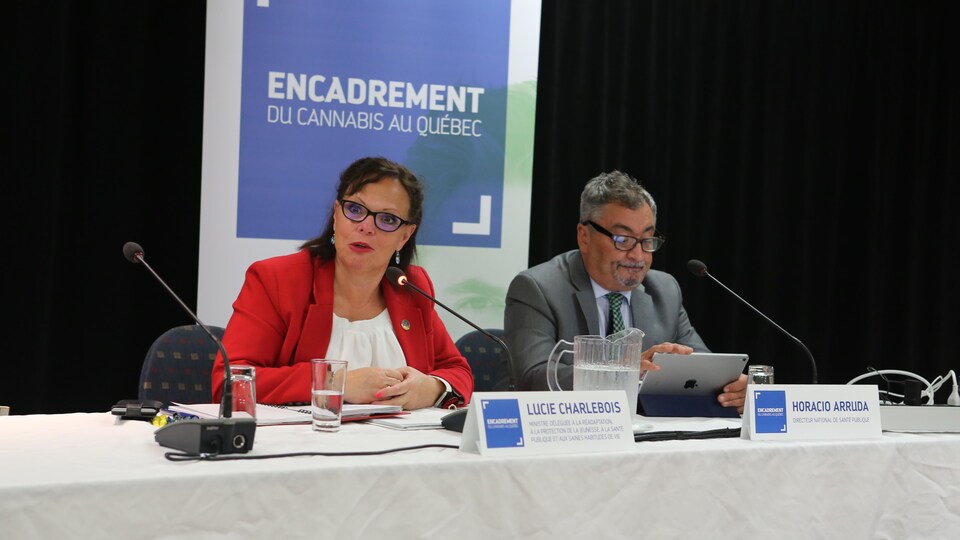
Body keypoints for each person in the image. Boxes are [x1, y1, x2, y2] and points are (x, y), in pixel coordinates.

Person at [211, 157, 473, 409]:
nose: (367, 226)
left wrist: (431, 388)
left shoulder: (411, 287)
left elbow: (458, 370)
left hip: (400, 449)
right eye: (356, 210)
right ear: (336, 214)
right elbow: (229, 381)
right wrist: (335, 382)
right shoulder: (278, 280)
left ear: (405, 236)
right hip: (302, 449)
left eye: (387, 219)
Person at [504, 171, 746, 412]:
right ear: (584, 237)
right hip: (568, 436)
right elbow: (534, 378)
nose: (638, 256)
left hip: (645, 436)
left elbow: (702, 366)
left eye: (647, 240)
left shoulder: (664, 290)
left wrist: (731, 386)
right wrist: (625, 372)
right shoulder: (538, 288)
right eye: (622, 239)